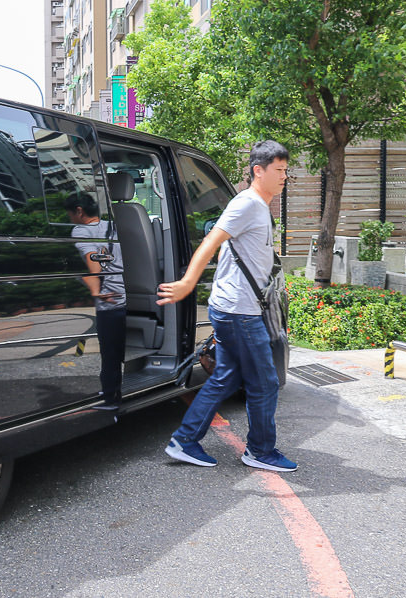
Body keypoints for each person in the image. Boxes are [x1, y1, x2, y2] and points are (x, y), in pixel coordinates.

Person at [157, 140, 296, 472]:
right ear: (257, 171)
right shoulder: (247, 203)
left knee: (227, 375)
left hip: (236, 306)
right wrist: (189, 283)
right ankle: (260, 451)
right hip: (239, 312)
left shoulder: (259, 206)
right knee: (264, 382)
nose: (284, 177)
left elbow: (229, 250)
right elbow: (211, 242)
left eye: (286, 171)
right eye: (278, 170)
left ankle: (185, 440)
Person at [65, 192, 126, 410]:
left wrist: (93, 290)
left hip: (109, 301)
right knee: (120, 349)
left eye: (70, 213)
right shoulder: (113, 226)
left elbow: (95, 267)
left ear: (79, 211)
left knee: (109, 352)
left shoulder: (81, 230)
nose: (69, 217)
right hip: (125, 296)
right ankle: (117, 389)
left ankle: (110, 398)